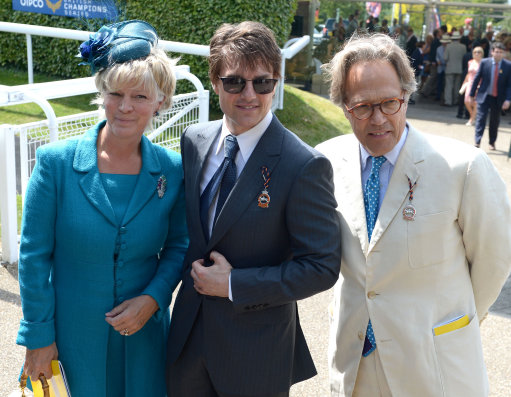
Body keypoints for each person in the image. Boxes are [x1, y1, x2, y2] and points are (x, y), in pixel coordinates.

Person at [318, 33, 511, 397]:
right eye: (362, 107)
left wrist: (456, 321)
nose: (378, 119)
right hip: (355, 363)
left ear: (407, 95)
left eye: (390, 103)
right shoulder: (325, 161)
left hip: (432, 364)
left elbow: (494, 261)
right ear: (344, 106)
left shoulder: (463, 167)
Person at [165, 21, 341, 397]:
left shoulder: (303, 165)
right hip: (187, 345)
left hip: (255, 356)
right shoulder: (194, 141)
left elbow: (322, 267)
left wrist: (232, 285)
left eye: (262, 82)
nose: (249, 94)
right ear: (215, 82)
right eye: (234, 82)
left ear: (275, 83)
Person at [16, 20, 188, 396]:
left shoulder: (173, 170)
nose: (125, 107)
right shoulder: (55, 164)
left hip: (144, 340)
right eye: (115, 93)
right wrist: (38, 336)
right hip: (69, 340)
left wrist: (154, 297)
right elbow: (33, 257)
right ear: (101, 92)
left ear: (161, 101)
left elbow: (180, 246)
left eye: (140, 97)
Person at [469, 41, 511, 149]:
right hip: (484, 96)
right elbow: (477, 78)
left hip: (498, 98)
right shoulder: (484, 63)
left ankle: (492, 142)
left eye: (501, 52)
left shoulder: (508, 66)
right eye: (496, 52)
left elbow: (509, 85)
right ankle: (477, 141)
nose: (498, 54)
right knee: (480, 118)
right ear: (492, 52)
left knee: (494, 121)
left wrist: (508, 99)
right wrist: (471, 94)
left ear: (503, 54)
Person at [443, 30, 467, 106]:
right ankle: (456, 100)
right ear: (459, 38)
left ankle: (448, 101)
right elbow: (464, 57)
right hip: (459, 68)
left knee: (449, 86)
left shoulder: (448, 46)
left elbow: (445, 58)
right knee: (457, 86)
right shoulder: (463, 47)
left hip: (450, 68)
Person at [463, 46, 484, 125]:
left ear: (482, 53)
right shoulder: (470, 62)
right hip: (470, 83)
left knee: (475, 102)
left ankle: (471, 119)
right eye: (475, 52)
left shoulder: (483, 62)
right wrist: (465, 82)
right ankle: (472, 115)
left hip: (479, 84)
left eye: (479, 52)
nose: (477, 53)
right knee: (466, 100)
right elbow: (468, 73)